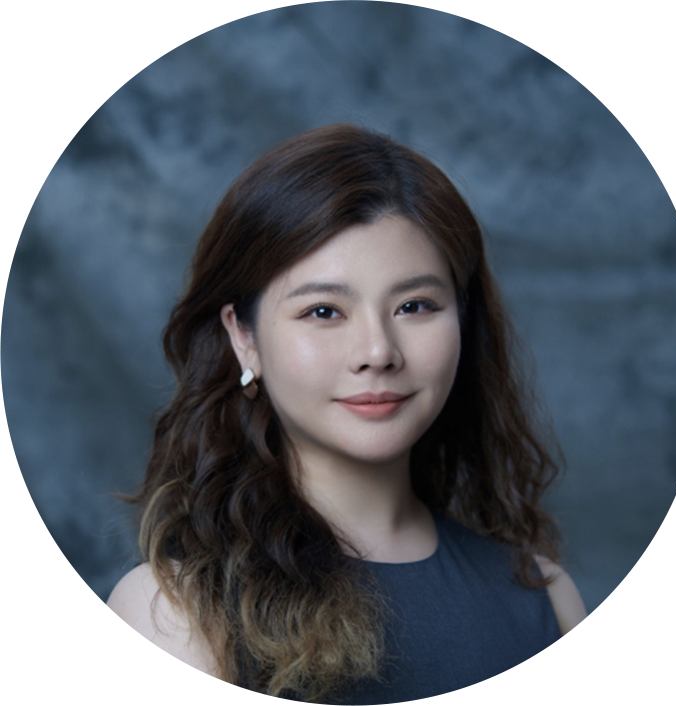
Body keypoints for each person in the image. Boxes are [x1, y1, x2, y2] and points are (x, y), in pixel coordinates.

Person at [107, 124, 587, 703]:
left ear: (464, 321)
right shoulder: (172, 616)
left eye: (415, 305)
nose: (378, 352)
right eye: (324, 311)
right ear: (244, 338)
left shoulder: (548, 599)